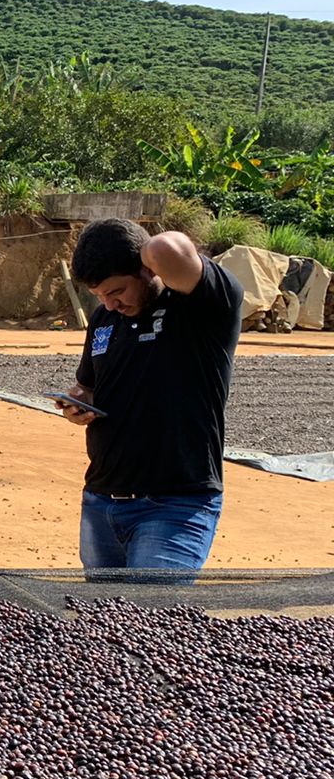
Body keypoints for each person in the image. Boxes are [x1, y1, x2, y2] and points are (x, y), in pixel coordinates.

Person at [59, 217, 243, 575]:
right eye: (99, 296)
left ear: (147, 269)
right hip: (101, 502)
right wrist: (78, 402)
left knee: (152, 620)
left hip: (174, 505)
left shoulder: (202, 307)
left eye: (117, 291)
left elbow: (164, 248)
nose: (110, 304)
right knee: (102, 625)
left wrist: (138, 247)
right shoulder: (104, 320)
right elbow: (89, 386)